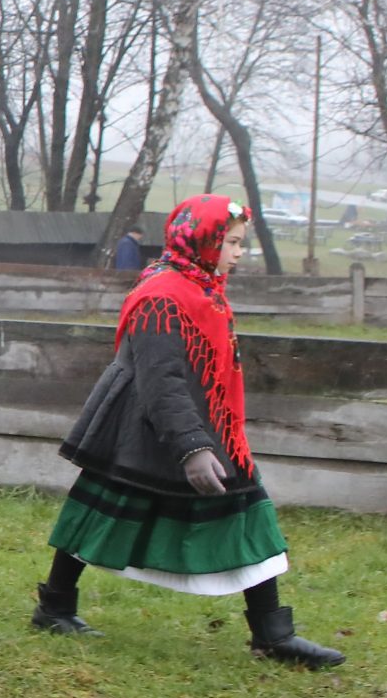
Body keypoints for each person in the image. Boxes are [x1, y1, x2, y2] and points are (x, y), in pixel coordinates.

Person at [35, 196, 343, 667]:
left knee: (248, 513)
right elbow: (162, 381)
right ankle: (54, 606)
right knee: (99, 510)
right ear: (200, 239)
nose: (238, 253)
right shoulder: (163, 296)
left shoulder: (203, 287)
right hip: (144, 428)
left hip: (206, 423)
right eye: (231, 242)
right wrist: (193, 447)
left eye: (240, 243)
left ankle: (273, 634)